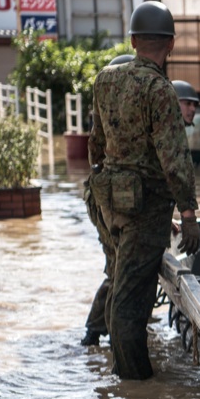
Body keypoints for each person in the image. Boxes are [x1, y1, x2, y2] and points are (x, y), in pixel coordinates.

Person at [88, 0, 200, 380]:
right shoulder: (159, 89)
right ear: (171, 45)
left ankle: (119, 371)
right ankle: (135, 384)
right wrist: (187, 214)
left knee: (120, 280)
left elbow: (95, 145)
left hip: (109, 200)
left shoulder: (105, 79)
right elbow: (174, 157)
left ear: (133, 40)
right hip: (146, 205)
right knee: (131, 300)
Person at [81, 53, 135, 347]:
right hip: (105, 201)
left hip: (105, 198)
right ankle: (106, 333)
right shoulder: (113, 120)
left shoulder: (115, 116)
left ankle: (99, 331)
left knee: (117, 269)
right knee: (118, 269)